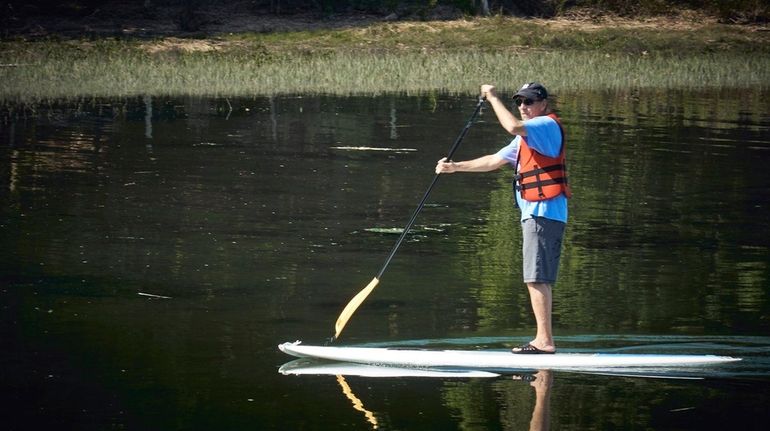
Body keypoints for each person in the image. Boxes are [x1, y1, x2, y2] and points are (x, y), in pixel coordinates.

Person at [435, 82, 571, 354]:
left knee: (536, 277)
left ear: (543, 105)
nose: (523, 107)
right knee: (534, 276)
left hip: (544, 212)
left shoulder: (544, 126)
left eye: (529, 102)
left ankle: (544, 341)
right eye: (520, 102)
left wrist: (493, 97)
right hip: (534, 213)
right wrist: (454, 168)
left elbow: (512, 126)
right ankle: (544, 340)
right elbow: (493, 161)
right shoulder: (525, 138)